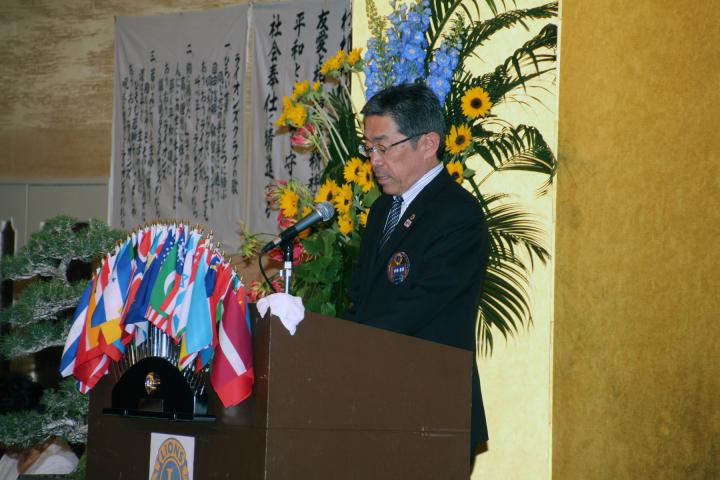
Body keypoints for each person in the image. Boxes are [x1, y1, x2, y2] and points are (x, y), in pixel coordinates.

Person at [344, 82, 490, 461]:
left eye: (383, 147)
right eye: (368, 148)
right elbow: (360, 299)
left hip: (432, 407)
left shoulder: (458, 214)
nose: (373, 160)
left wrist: (351, 343)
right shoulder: (381, 212)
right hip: (377, 404)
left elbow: (420, 305)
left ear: (428, 143)